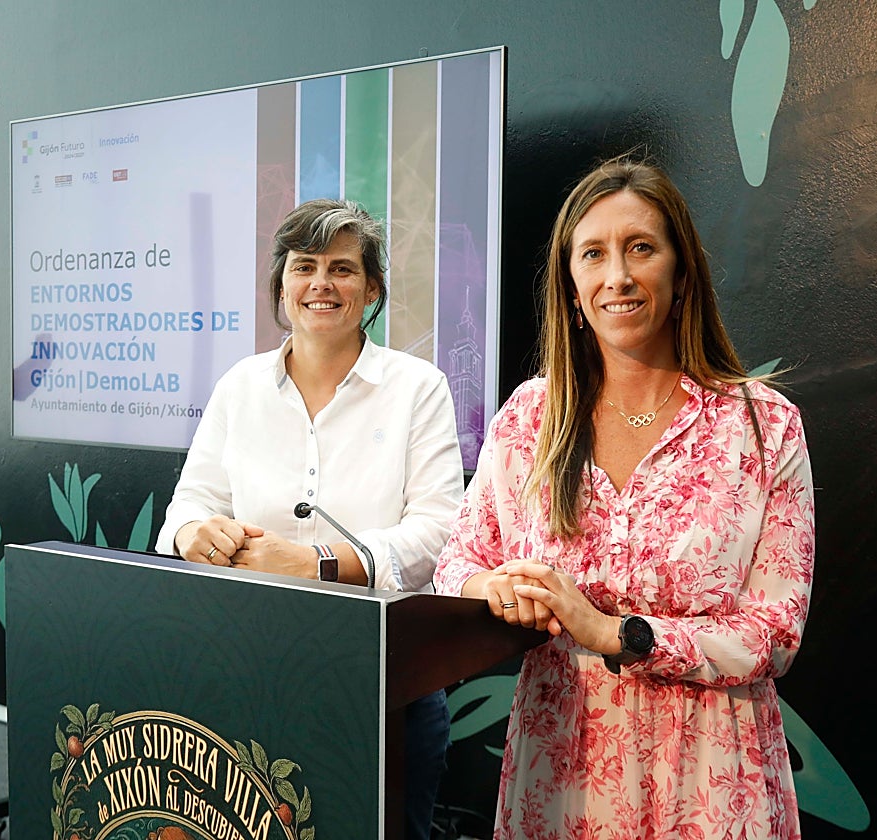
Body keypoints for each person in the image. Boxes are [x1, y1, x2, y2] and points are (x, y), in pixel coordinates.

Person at [434, 156, 815, 839]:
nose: (618, 275)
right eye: (593, 254)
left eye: (641, 248)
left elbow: (774, 633)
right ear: (571, 283)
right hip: (559, 776)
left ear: (680, 271)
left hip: (710, 785)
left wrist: (614, 633)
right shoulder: (529, 418)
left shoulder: (761, 425)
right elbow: (457, 564)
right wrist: (497, 588)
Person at [156, 197, 465, 840]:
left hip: (386, 680)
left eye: (342, 269)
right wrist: (196, 533)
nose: (321, 284)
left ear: (372, 287)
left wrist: (318, 564)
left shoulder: (419, 387)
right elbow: (188, 506)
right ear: (282, 285)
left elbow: (440, 533)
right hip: (250, 668)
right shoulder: (239, 386)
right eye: (304, 266)